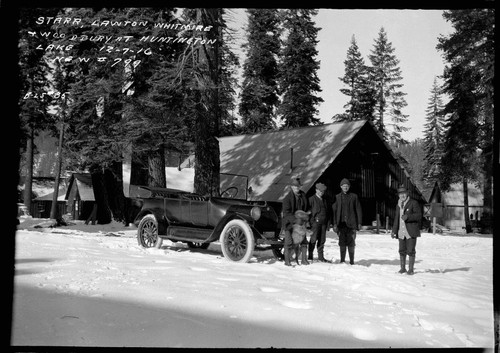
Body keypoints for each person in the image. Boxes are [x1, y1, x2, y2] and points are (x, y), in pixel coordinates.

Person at [391, 185, 422, 275]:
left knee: (410, 251)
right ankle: (402, 268)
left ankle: (411, 270)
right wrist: (394, 231)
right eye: (400, 194)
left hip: (411, 231)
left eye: (404, 193)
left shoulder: (413, 203)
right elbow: (396, 218)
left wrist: (408, 217)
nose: (402, 196)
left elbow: (419, 216)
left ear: (407, 193)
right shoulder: (398, 204)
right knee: (401, 250)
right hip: (401, 232)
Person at [332, 178, 362, 265]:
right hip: (341, 224)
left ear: (349, 187)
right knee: (342, 243)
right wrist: (334, 223)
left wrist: (359, 222)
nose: (345, 187)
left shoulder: (354, 196)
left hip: (351, 224)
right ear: (341, 187)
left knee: (351, 242)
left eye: (347, 186)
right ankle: (342, 260)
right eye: (344, 186)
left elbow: (358, 210)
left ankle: (352, 261)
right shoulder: (337, 197)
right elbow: (334, 211)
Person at [282, 177, 309, 266]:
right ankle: (287, 261)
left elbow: (307, 208)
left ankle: (304, 260)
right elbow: (287, 213)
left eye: (298, 186)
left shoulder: (303, 196)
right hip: (290, 223)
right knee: (288, 242)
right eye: (295, 186)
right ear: (292, 187)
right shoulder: (287, 198)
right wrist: (295, 220)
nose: (297, 188)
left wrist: (307, 215)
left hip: (301, 224)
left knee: (304, 242)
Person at [308, 182, 332, 262]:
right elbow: (308, 212)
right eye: (320, 191)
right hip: (315, 223)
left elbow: (327, 212)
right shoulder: (311, 199)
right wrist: (312, 222)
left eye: (323, 191)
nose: (322, 193)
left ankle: (321, 257)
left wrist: (328, 223)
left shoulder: (325, 200)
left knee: (322, 240)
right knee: (313, 239)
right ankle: (310, 256)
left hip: (324, 223)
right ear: (316, 190)